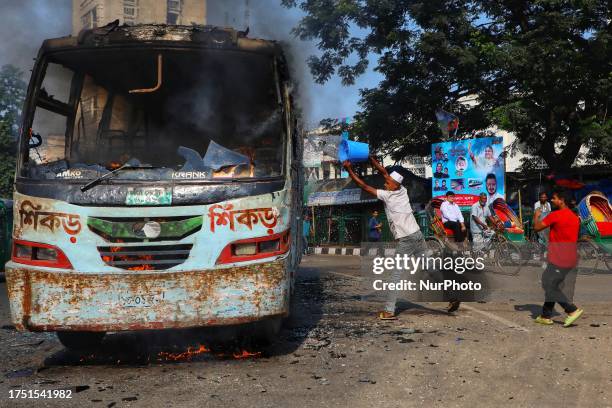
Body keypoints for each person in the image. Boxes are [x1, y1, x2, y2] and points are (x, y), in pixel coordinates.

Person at [344, 157, 460, 317]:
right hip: (418, 235)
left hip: (406, 239)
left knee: (395, 274)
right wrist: (371, 159)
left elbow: (362, 185)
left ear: (394, 185)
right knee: (430, 268)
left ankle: (389, 310)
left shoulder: (387, 195)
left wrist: (349, 170)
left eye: (388, 182)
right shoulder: (402, 191)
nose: (385, 183)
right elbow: (384, 172)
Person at [532, 189, 583, 327]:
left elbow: (536, 228)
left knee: (549, 284)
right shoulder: (574, 217)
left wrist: (536, 215)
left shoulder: (556, 215)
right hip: (571, 258)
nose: (552, 201)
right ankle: (545, 315)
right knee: (551, 285)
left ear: (562, 200)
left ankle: (572, 310)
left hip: (559, 258)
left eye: (554, 198)